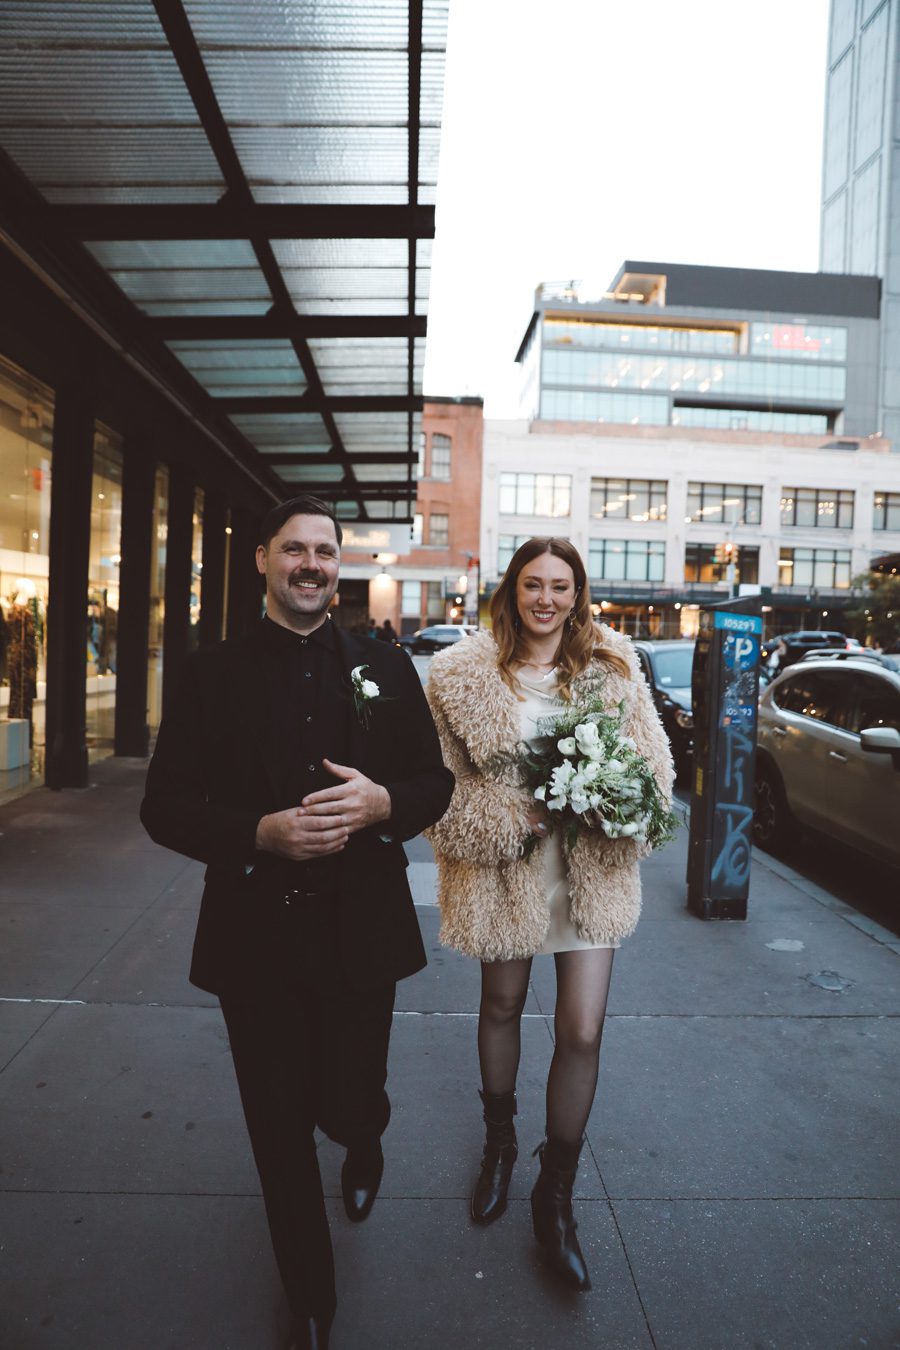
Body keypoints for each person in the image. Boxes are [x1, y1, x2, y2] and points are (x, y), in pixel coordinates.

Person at [140, 495, 453, 1350]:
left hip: (363, 930)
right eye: (294, 549)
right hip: (255, 935)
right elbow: (162, 806)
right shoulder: (209, 674)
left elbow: (434, 783)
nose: (311, 564)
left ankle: (363, 1137)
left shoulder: (384, 667)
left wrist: (384, 803)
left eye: (325, 550)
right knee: (277, 1128)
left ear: (338, 566)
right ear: (263, 560)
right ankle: (311, 1301)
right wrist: (256, 832)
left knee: (348, 1102)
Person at [425, 537, 672, 1292]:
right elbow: (437, 786)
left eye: (560, 586)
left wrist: (614, 800)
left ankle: (555, 1195)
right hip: (508, 867)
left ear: (577, 594)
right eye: (533, 584)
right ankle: (500, 1145)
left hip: (589, 870)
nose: (546, 599)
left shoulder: (613, 667)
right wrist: (516, 818)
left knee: (583, 1029)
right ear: (512, 590)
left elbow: (655, 771)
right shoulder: (462, 674)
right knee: (501, 1005)